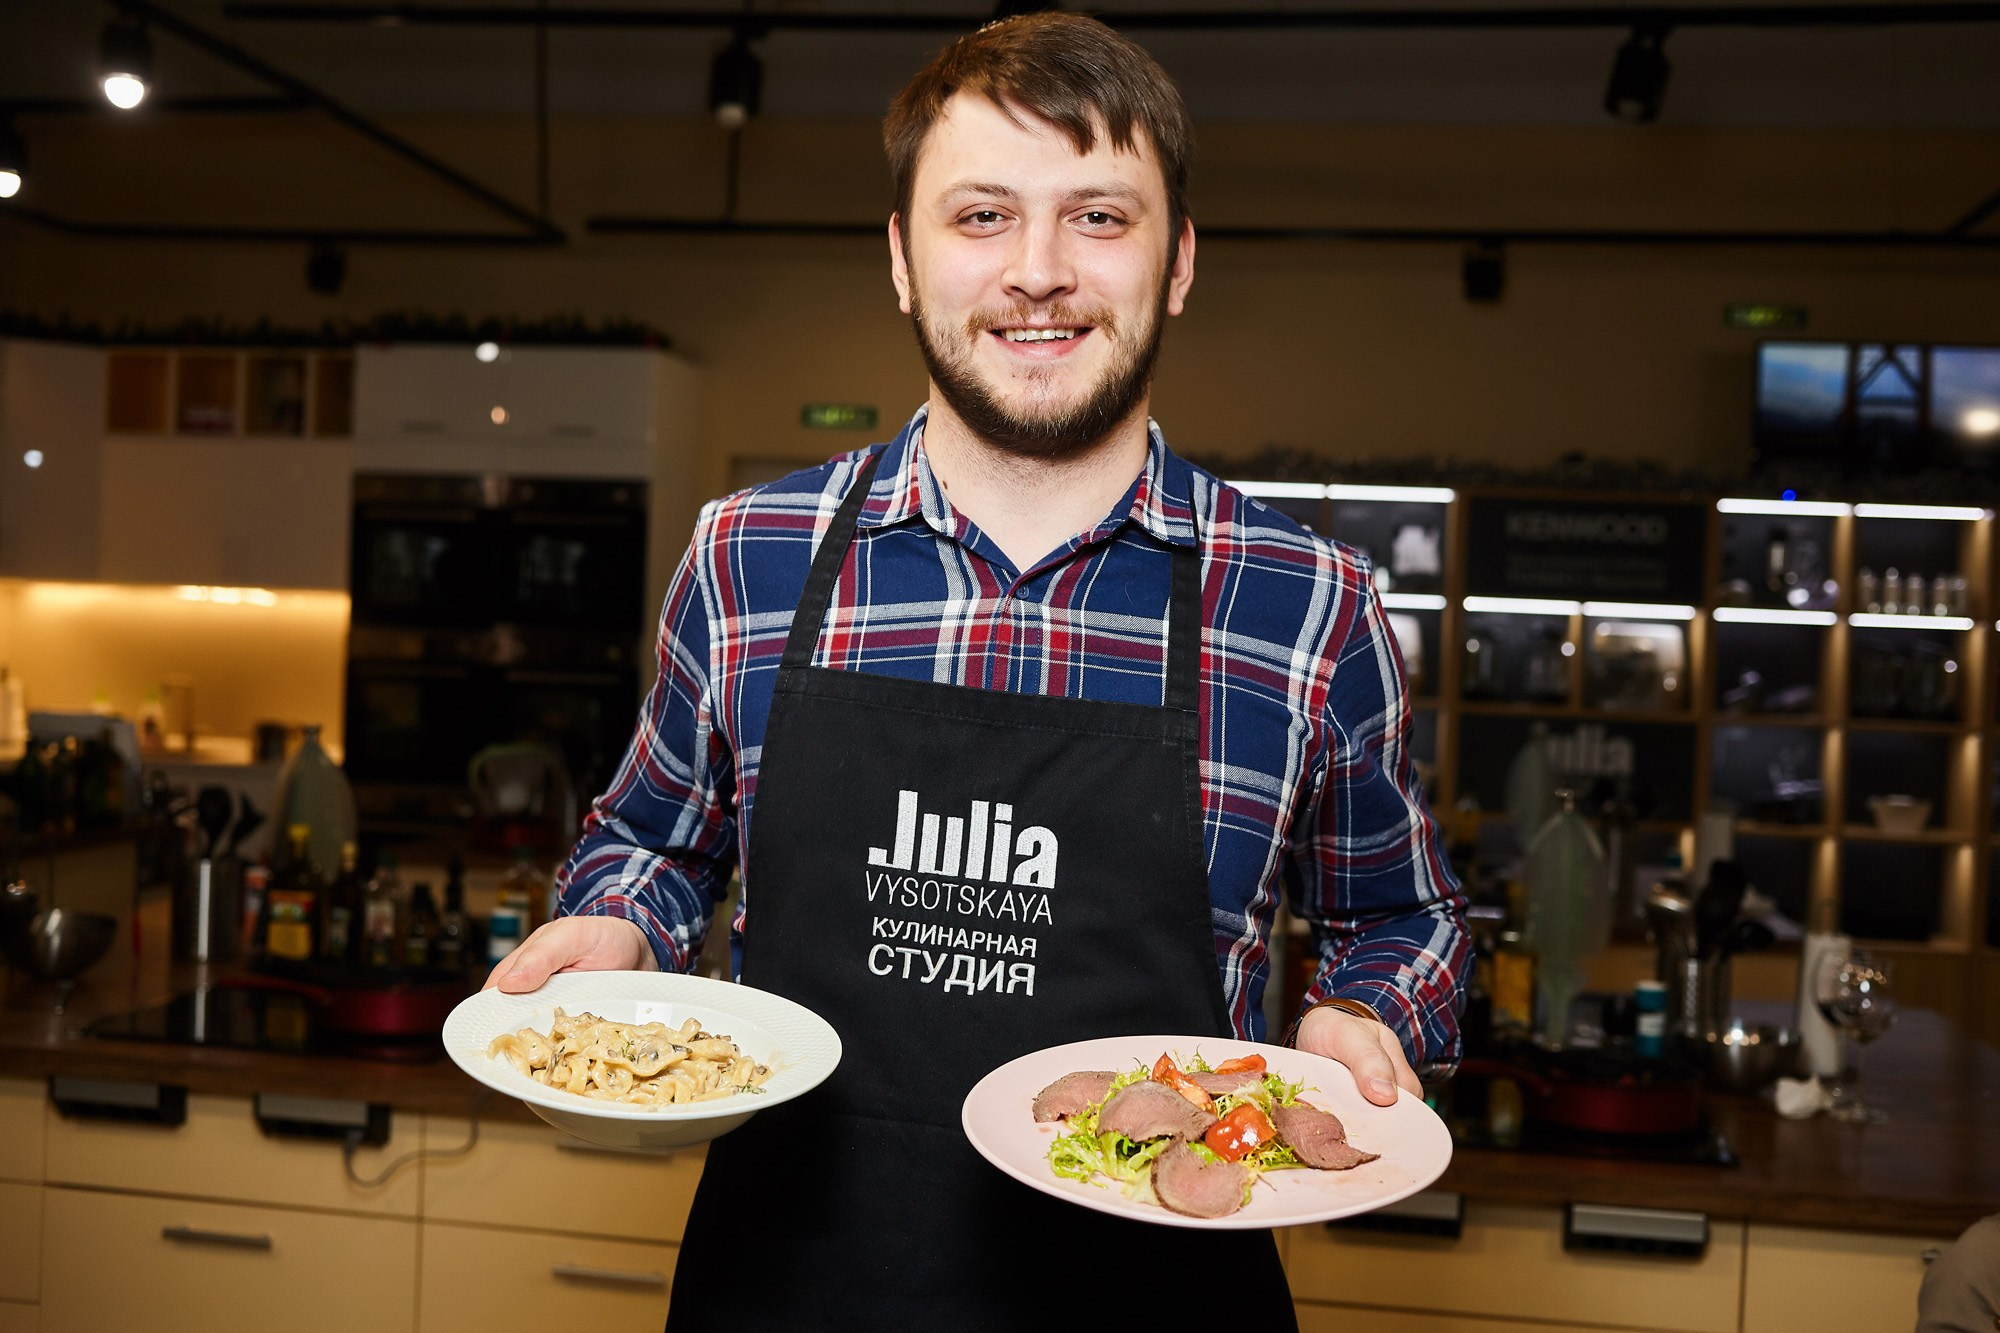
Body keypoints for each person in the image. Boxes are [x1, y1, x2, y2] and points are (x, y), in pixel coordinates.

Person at [486, 13, 1468, 1328]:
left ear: (1178, 263)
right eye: (983, 215)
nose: (1040, 271)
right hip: (791, 1287)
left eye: (1100, 219)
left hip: (1164, 1297)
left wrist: (1368, 1009)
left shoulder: (1309, 605)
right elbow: (656, 840)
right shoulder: (747, 558)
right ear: (902, 258)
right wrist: (622, 919)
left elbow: (1403, 915)